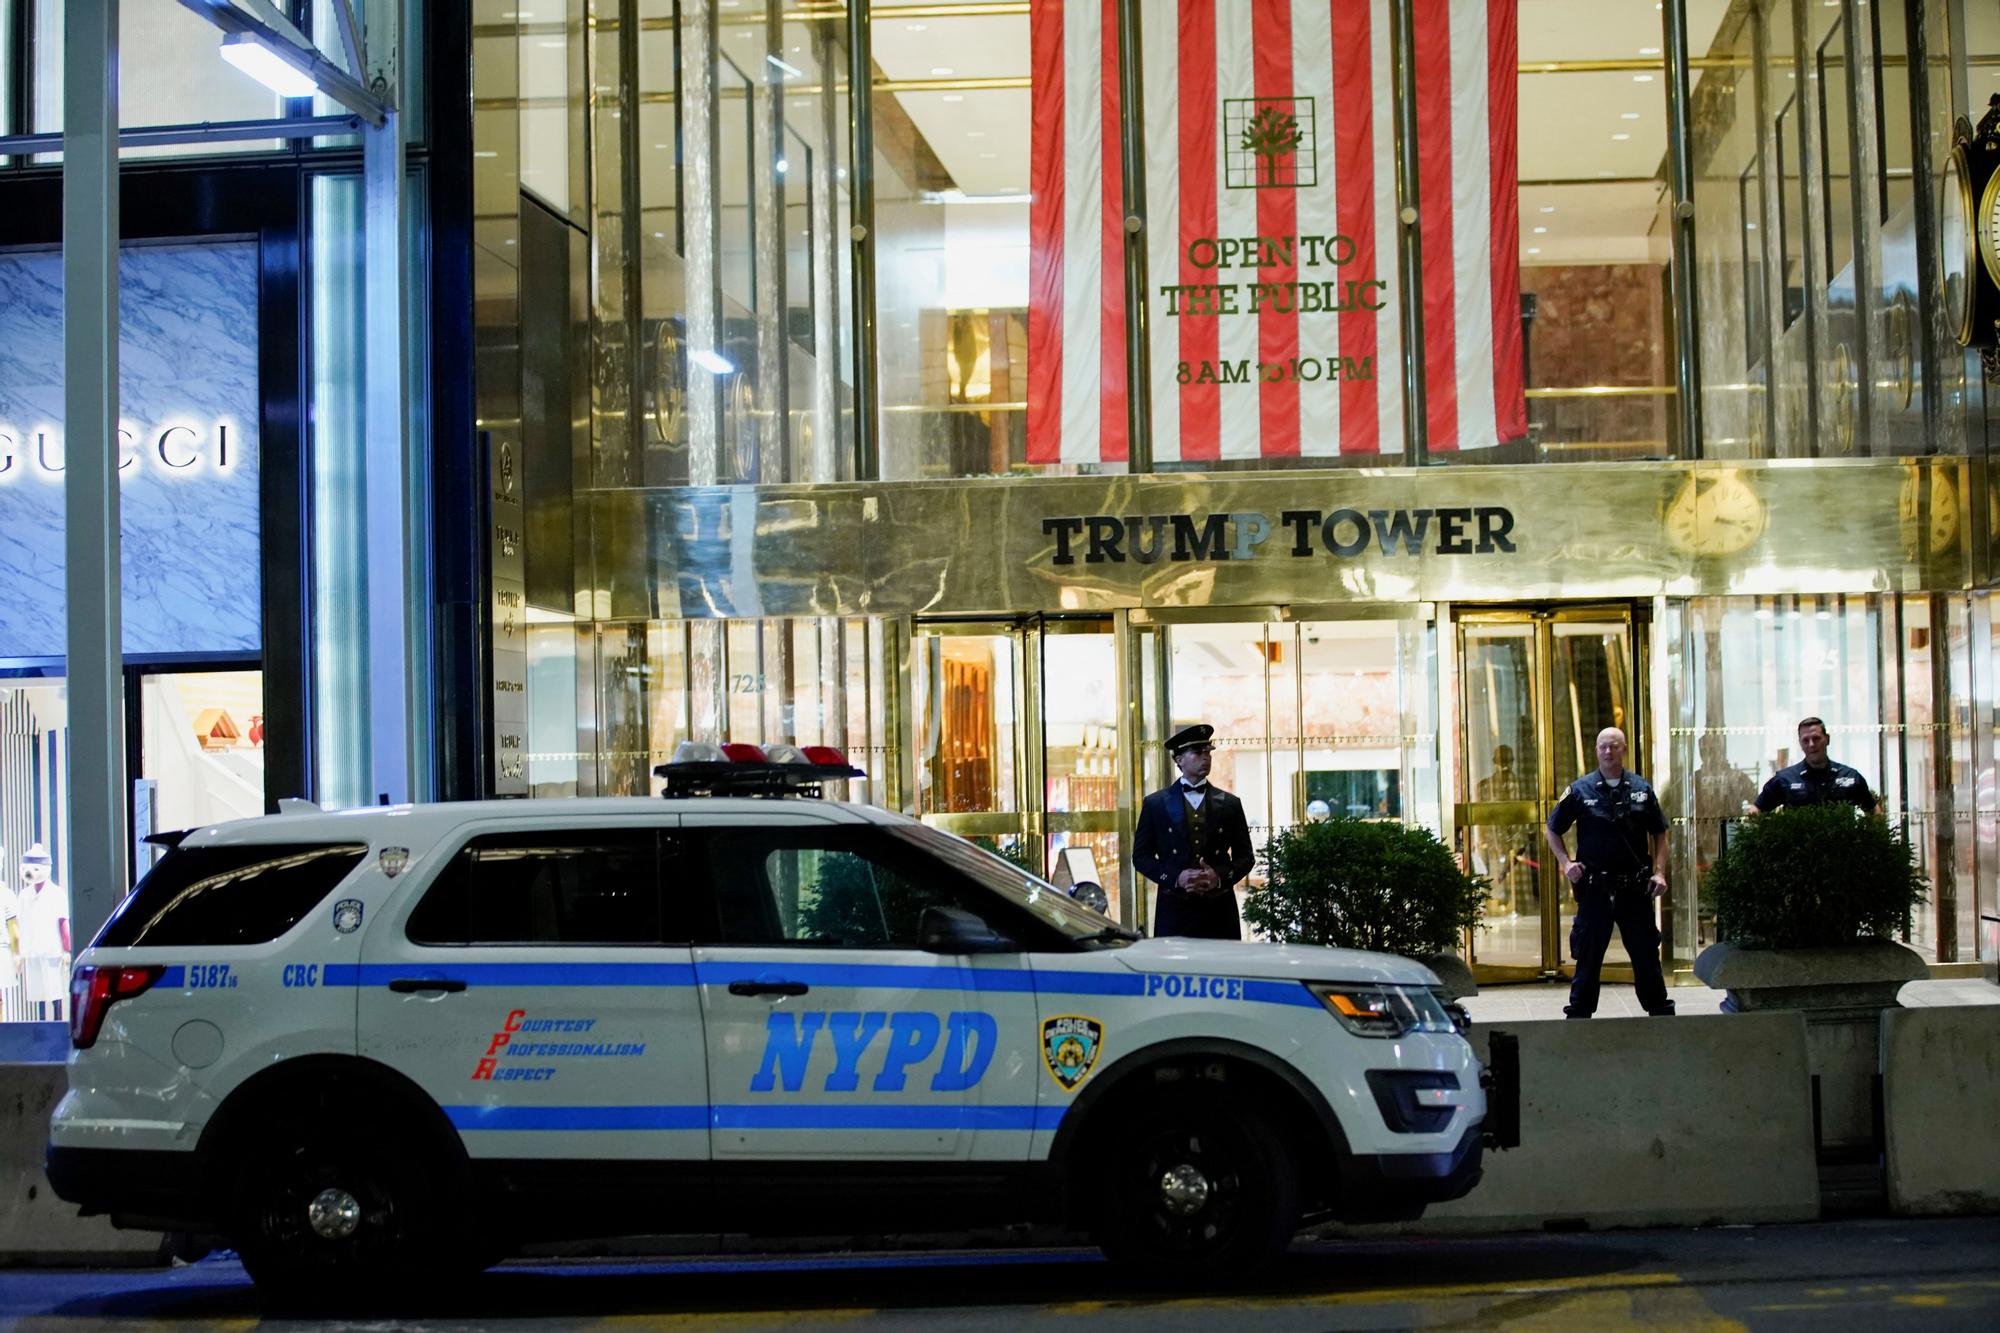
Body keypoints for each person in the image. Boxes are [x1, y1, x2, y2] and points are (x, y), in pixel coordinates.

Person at [1543, 728, 1675, 1019]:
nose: (1607, 752)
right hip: (1595, 887)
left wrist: (1659, 872)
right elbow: (1552, 828)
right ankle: (1579, 1014)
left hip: (1634, 887)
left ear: (1624, 749)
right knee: (1589, 954)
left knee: (1645, 955)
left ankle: (1660, 1012)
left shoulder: (1641, 788)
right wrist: (1566, 864)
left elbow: (1660, 832)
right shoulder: (1580, 790)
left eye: (1613, 746)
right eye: (1602, 746)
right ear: (1596, 751)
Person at [1132, 723, 1256, 940]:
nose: (1205, 757)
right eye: (1197, 752)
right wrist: (1176, 877)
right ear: (1179, 760)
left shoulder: (1230, 804)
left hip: (1219, 911)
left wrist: (1218, 877)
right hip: (1174, 909)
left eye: (1208, 752)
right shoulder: (1155, 804)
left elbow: (1246, 857)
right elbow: (1141, 857)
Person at [1752, 717, 1878, 814]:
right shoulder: (1785, 779)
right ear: (1800, 744)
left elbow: (1874, 811)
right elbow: (1755, 811)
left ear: (1827, 739)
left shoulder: (1850, 777)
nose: (1811, 744)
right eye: (1805, 740)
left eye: (1816, 738)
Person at [13, 843, 71, 1022]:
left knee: (54, 990)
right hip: (31, 950)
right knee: (36, 990)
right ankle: (40, 1023)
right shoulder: (23, 895)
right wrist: (19, 953)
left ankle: (58, 1020)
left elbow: (63, 921)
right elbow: (20, 923)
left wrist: (66, 949)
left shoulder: (56, 893)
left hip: (51, 949)